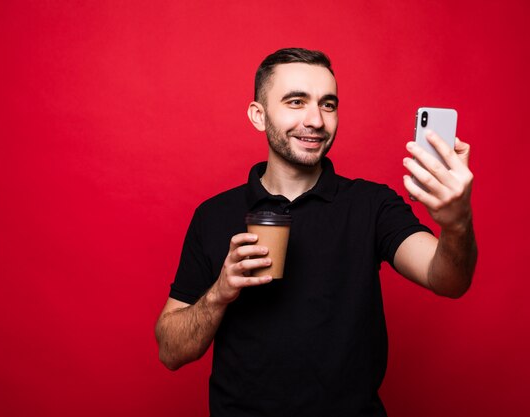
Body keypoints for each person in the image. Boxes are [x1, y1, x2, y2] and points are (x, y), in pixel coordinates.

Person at [155, 48, 477, 417]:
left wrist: (456, 222)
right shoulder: (214, 215)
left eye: (328, 104)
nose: (316, 121)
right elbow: (170, 352)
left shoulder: (371, 205)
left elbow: (449, 280)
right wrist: (219, 293)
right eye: (296, 102)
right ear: (258, 116)